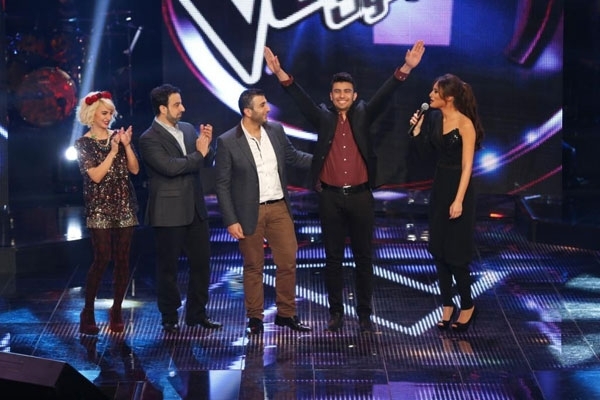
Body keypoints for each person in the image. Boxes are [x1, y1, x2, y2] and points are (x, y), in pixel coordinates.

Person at [264, 40, 426, 332]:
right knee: (333, 258)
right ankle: (336, 312)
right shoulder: (323, 117)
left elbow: (386, 93)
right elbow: (299, 98)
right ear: (331, 95)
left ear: (354, 95)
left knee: (364, 257)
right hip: (331, 198)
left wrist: (407, 67)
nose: (342, 96)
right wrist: (279, 72)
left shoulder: (364, 113)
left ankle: (364, 313)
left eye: (347, 92)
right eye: (337, 92)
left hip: (361, 196)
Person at [215, 88, 313, 334]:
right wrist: (231, 220)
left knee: (288, 262)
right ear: (248, 112)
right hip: (249, 212)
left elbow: (293, 157)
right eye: (262, 105)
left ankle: (286, 314)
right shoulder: (228, 141)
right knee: (253, 266)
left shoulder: (276, 131)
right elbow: (222, 185)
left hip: (279, 207)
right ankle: (255, 318)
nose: (268, 109)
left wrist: (324, 158)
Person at [138, 84, 222, 333]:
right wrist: (199, 154)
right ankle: (169, 316)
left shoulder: (186, 128)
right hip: (168, 210)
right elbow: (170, 167)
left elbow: (205, 161)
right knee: (168, 268)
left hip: (195, 208)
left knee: (202, 264)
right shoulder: (148, 138)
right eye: (176, 104)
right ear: (162, 108)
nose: (182, 108)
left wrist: (207, 145)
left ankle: (197, 314)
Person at [408, 73, 484, 332]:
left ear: (449, 97)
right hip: (440, 186)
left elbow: (467, 166)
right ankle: (447, 305)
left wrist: (459, 200)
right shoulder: (435, 119)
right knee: (438, 250)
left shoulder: (465, 124)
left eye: (435, 91)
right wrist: (417, 130)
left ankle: (468, 305)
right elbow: (425, 155)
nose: (430, 95)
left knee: (456, 254)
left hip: (459, 189)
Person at [75, 90, 140, 335]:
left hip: (124, 204)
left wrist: (126, 145)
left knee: (123, 259)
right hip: (99, 207)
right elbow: (95, 175)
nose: (108, 117)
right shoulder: (83, 144)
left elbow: (134, 170)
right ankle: (88, 311)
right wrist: (112, 152)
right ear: (92, 114)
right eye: (104, 113)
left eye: (110, 113)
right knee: (102, 258)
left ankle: (117, 310)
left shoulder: (118, 137)